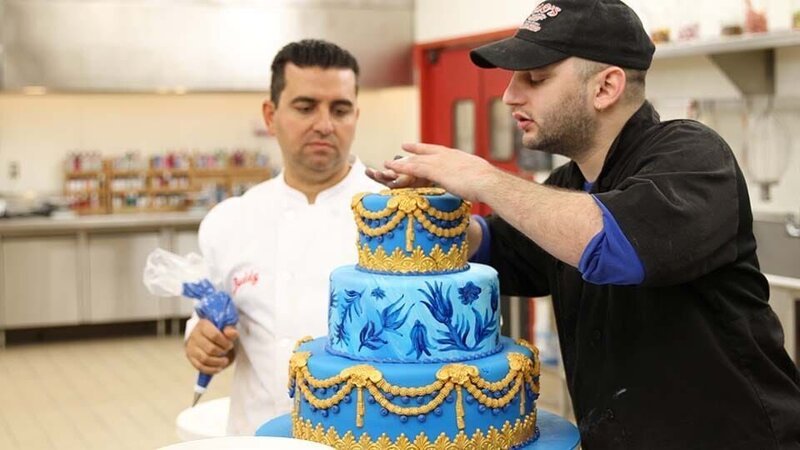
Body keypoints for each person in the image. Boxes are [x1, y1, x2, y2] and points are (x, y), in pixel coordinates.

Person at [368, 0, 800, 448]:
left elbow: (614, 245)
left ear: (606, 87)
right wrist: (431, 210)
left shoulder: (693, 156)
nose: (510, 95)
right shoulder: (568, 184)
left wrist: (481, 178)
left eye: (535, 78)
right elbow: (499, 246)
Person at [184, 39, 382, 435]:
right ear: (271, 115)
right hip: (256, 434)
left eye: (340, 109)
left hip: (365, 437)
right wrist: (201, 341)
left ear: (356, 116)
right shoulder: (230, 221)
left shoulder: (391, 215)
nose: (324, 124)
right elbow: (208, 316)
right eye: (306, 107)